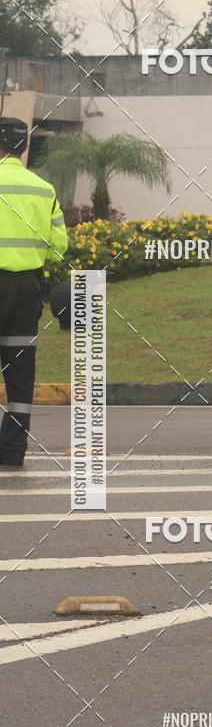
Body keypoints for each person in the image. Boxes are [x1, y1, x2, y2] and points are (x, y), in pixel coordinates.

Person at [0, 117, 68, 466]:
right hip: (27, 287)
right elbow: (59, 247)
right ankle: (12, 451)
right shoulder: (42, 188)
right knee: (20, 372)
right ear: (23, 147)